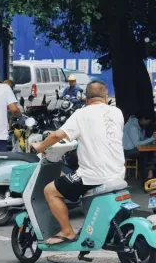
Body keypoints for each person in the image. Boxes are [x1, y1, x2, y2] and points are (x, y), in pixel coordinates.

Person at [30, 81, 125, 245]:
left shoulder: (81, 114)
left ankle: (67, 231)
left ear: (86, 99)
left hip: (93, 176)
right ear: (106, 97)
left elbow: (58, 135)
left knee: (50, 191)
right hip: (118, 173)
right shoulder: (117, 113)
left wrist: (40, 146)